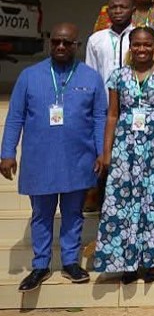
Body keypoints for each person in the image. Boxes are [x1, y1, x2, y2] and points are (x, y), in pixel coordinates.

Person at [1, 24, 107, 292]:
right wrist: (7, 153)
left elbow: (99, 119)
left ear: (77, 46)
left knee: (73, 214)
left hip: (78, 158)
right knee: (41, 214)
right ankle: (40, 265)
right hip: (40, 159)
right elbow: (15, 117)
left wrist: (101, 152)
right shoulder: (29, 76)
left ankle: (71, 261)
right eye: (56, 41)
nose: (61, 47)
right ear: (50, 43)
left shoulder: (90, 77)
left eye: (67, 43)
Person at [93, 27, 154, 283]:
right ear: (130, 47)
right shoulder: (118, 76)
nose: (141, 49)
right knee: (125, 202)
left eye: (147, 45)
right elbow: (112, 115)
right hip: (126, 147)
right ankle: (128, 261)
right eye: (137, 45)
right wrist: (106, 151)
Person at [86, 0, 135, 93]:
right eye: (114, 7)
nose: (118, 11)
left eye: (123, 7)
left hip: (133, 103)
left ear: (133, 10)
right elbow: (91, 74)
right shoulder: (96, 39)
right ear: (108, 11)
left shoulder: (140, 38)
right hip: (104, 101)